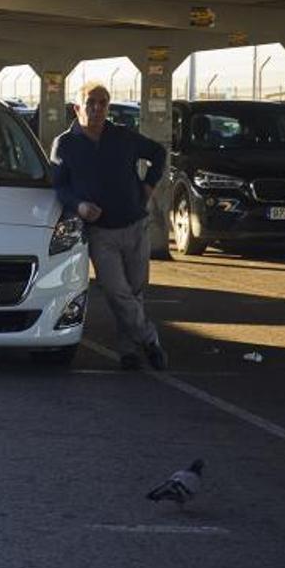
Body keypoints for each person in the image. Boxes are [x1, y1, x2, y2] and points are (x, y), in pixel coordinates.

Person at [51, 83, 168, 371]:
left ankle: (128, 351)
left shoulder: (122, 137)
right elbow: (59, 186)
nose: (97, 108)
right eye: (91, 102)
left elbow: (158, 153)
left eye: (103, 103)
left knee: (135, 292)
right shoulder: (65, 144)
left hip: (135, 225)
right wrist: (79, 206)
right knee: (116, 290)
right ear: (77, 107)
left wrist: (149, 185)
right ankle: (150, 340)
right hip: (101, 232)